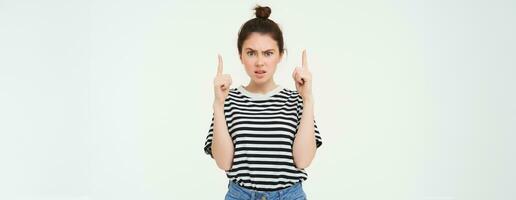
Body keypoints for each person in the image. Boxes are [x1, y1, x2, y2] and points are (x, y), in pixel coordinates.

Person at [203, 5, 323, 200]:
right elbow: (224, 163)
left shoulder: (296, 100)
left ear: (280, 55)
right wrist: (218, 104)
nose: (260, 62)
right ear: (240, 55)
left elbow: (303, 161)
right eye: (251, 53)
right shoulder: (228, 101)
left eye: (268, 53)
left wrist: (308, 99)